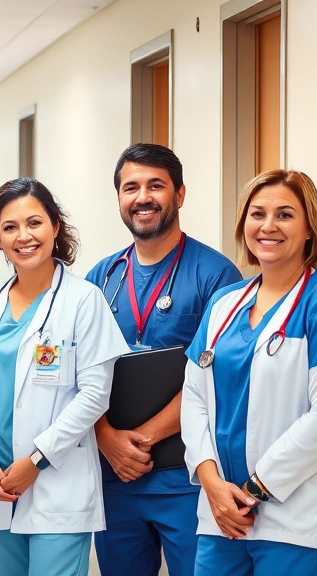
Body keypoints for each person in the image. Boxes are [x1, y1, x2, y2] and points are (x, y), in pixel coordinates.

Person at [0, 178, 130, 576]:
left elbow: (94, 395)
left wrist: (36, 459)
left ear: (55, 226)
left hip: (55, 483)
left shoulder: (84, 299)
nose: (23, 236)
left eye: (34, 223)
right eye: (9, 227)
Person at [85, 144, 242, 576]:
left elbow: (216, 377)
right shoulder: (101, 277)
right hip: (114, 474)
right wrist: (105, 438)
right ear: (118, 198)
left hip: (185, 476)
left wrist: (143, 439)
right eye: (130, 187)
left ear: (180, 194)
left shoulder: (216, 275)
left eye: (156, 185)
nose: (143, 197)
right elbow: (78, 373)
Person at [183, 169, 317, 574]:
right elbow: (195, 398)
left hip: (296, 521)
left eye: (285, 214)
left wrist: (255, 488)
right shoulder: (223, 303)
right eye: (257, 214)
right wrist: (212, 485)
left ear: (309, 229)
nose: (268, 226)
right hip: (221, 516)